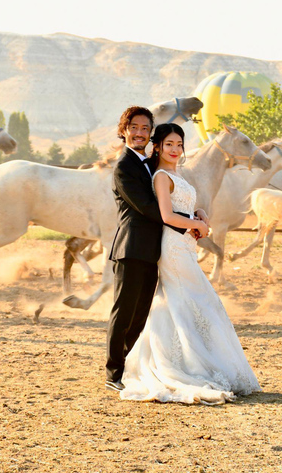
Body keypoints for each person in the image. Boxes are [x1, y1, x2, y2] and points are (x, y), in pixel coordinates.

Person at [119, 123, 261, 405]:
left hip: (185, 244)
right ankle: (190, 367)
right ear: (157, 146)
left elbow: (182, 206)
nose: (175, 150)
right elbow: (167, 215)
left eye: (179, 144)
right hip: (173, 247)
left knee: (184, 303)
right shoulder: (161, 176)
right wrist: (197, 225)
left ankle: (194, 360)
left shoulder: (177, 173)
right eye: (169, 144)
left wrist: (199, 212)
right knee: (196, 300)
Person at [106, 107, 209, 392]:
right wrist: (188, 224)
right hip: (132, 247)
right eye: (134, 127)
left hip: (157, 250)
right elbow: (149, 208)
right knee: (124, 312)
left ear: (150, 133)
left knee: (141, 314)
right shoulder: (124, 167)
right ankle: (113, 372)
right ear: (124, 129)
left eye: (145, 128)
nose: (139, 133)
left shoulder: (153, 164)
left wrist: (194, 212)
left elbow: (172, 198)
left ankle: (130, 366)